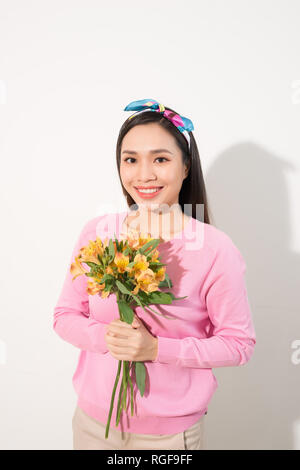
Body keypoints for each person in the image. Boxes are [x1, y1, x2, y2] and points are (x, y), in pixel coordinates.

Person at [53, 99, 257, 450]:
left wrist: (157, 349)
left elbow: (239, 346)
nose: (143, 174)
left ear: (186, 166)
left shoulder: (215, 249)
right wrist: (107, 339)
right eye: (131, 159)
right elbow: (64, 316)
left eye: (160, 159)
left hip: (170, 436)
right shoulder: (98, 233)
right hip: (92, 425)